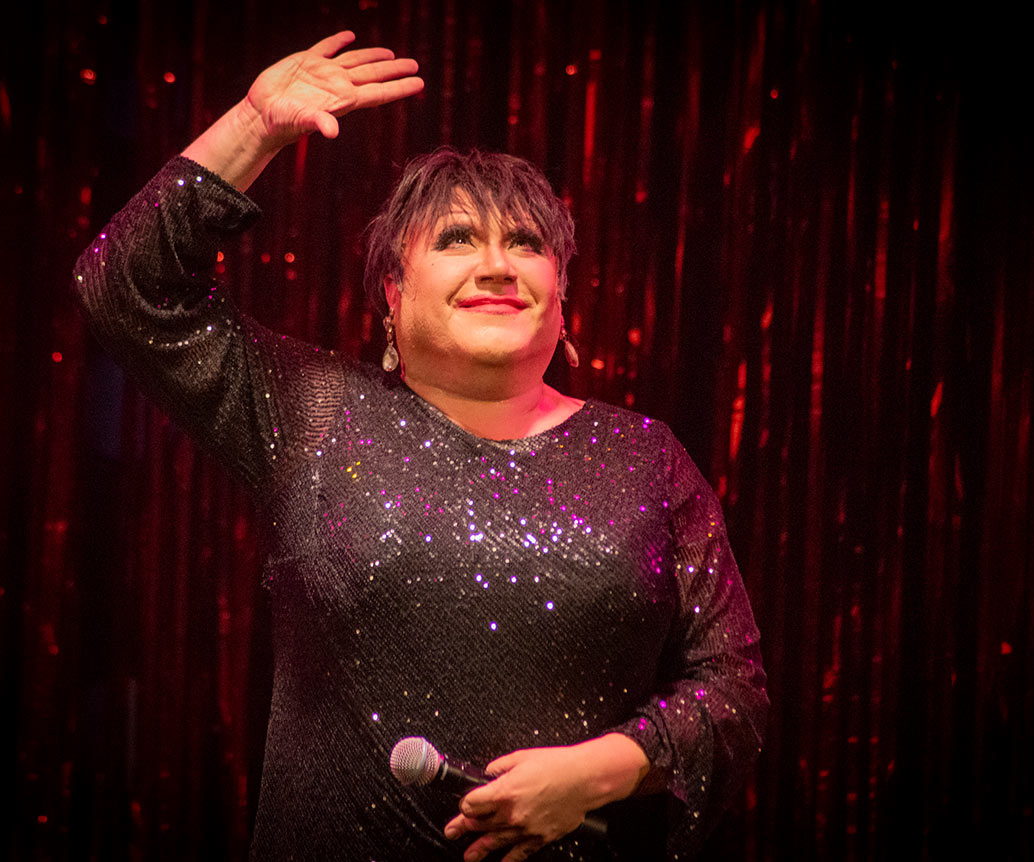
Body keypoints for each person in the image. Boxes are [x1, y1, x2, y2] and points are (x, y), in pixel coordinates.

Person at [74, 32, 768, 862]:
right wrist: (254, 128)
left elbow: (733, 690)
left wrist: (600, 771)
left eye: (526, 243)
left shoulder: (645, 456)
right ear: (391, 299)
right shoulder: (315, 411)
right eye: (455, 240)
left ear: (562, 298)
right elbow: (126, 287)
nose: (497, 264)